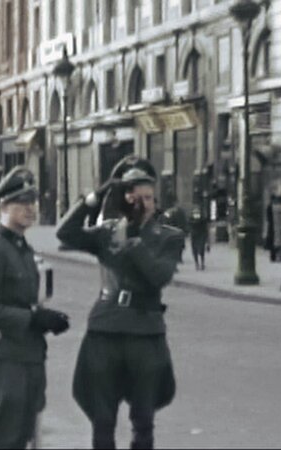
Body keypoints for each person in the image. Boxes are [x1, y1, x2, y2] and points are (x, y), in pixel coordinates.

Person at [56, 163, 185, 449]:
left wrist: (135, 242)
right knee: (102, 419)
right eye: (134, 197)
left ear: (155, 201)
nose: (142, 204)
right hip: (106, 330)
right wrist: (94, 198)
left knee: (143, 420)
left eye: (148, 198)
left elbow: (159, 277)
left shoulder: (168, 237)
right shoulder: (107, 231)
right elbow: (66, 233)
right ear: (123, 199)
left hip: (145, 332)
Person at [0, 166, 70, 449]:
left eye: (32, 202)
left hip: (30, 356)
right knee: (4, 438)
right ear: (3, 207)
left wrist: (46, 319)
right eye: (21, 202)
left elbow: (26, 300)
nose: (30, 209)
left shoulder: (23, 249)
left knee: (25, 435)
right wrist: (33, 318)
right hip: (5, 359)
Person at [189, 206, 209, 271]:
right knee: (195, 250)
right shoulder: (191, 219)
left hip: (201, 235)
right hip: (194, 236)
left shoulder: (203, 219)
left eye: (197, 212)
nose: (196, 214)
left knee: (201, 250)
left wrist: (207, 239)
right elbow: (189, 226)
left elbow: (205, 228)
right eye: (195, 212)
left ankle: (202, 263)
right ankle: (197, 263)